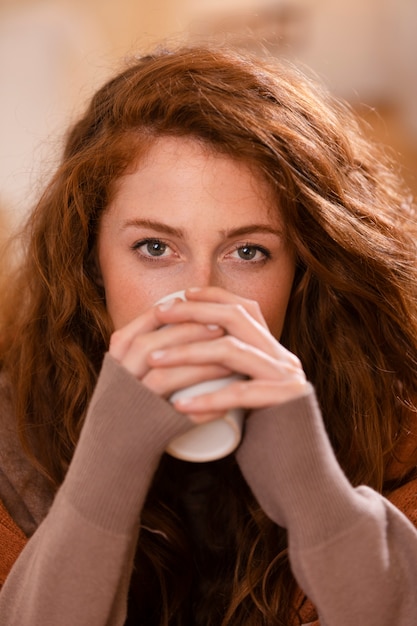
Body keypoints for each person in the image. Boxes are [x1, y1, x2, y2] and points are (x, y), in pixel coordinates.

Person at [0, 42, 417, 626]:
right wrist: (103, 475)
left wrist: (318, 497)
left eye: (248, 251)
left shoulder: (400, 429)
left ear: (303, 268)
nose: (203, 296)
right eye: (154, 248)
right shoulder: (12, 445)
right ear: (90, 260)